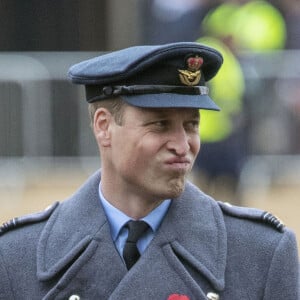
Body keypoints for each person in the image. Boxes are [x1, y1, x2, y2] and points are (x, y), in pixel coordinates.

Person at [0, 42, 298, 299]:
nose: (183, 146)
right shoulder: (15, 258)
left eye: (191, 125)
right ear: (104, 126)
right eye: (160, 125)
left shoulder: (262, 255)